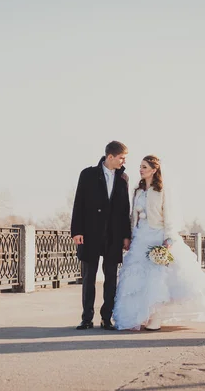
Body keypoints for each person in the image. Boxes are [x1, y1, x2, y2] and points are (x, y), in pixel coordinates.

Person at [113, 155, 205, 331]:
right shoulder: (138, 191)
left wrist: (168, 239)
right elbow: (133, 217)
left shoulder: (162, 190)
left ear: (154, 170)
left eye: (145, 167)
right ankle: (140, 315)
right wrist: (130, 236)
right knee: (138, 279)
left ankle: (156, 317)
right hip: (140, 237)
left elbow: (170, 217)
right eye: (140, 166)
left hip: (158, 235)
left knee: (157, 279)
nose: (141, 169)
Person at [71, 141, 132, 330]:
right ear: (110, 156)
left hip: (113, 236)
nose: (123, 161)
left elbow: (125, 209)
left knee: (111, 278)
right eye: (121, 158)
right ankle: (86, 318)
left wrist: (126, 235)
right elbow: (78, 202)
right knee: (88, 278)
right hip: (90, 233)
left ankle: (107, 318)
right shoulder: (88, 174)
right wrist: (77, 231)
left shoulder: (124, 178)